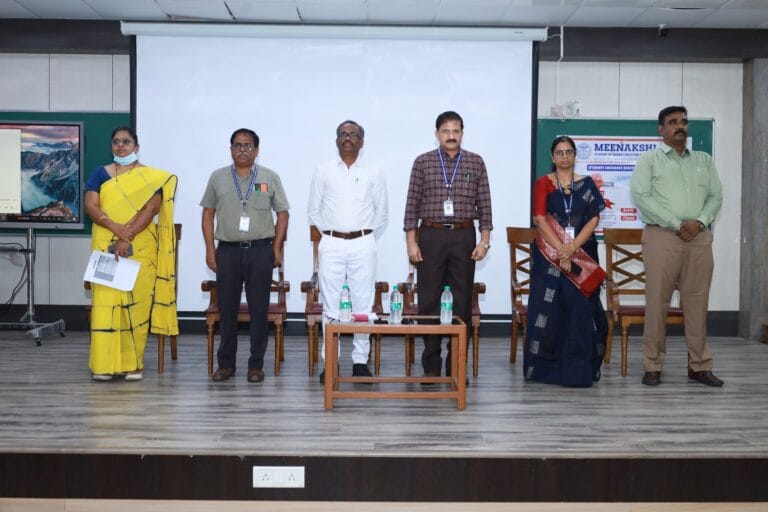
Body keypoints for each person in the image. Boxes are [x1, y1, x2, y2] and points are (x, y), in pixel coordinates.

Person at [630, 106, 723, 387]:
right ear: (661, 129)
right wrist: (676, 223)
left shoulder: (704, 160)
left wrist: (701, 221)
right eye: (672, 122)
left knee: (697, 304)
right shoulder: (649, 160)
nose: (680, 126)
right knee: (657, 303)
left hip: (699, 238)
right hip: (662, 237)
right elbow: (641, 196)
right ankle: (652, 366)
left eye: (683, 122)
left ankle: (699, 366)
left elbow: (716, 196)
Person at [403, 111, 492, 378]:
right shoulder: (423, 162)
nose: (451, 136)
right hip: (430, 236)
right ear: (437, 134)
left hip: (464, 237)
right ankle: (431, 366)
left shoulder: (476, 162)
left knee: (461, 302)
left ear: (462, 133)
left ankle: (456, 366)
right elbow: (411, 205)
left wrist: (485, 241)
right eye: (446, 131)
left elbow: (485, 205)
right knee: (429, 300)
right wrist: (411, 243)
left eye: (456, 131)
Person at [85, 126, 178, 381]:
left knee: (136, 306)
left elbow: (150, 210)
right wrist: (115, 228)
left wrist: (126, 236)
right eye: (116, 141)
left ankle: (133, 363)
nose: (121, 145)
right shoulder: (99, 174)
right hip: (106, 244)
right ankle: (103, 365)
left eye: (126, 142)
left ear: (136, 147)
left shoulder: (150, 177)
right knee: (106, 305)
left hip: (140, 247)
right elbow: (91, 205)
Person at [200, 128, 289, 383]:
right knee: (227, 309)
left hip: (260, 251)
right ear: (230, 150)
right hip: (227, 251)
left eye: (248, 145)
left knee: (259, 310)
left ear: (256, 150)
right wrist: (210, 250)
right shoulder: (218, 177)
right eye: (237, 145)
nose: (242, 150)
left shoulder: (269, 177)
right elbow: (207, 214)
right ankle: (226, 364)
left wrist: (276, 248)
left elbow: (283, 214)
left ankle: (256, 365)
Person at [524, 135, 607, 387]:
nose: (564, 156)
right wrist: (562, 249)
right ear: (552, 156)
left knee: (581, 311)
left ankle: (579, 370)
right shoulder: (544, 183)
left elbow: (593, 219)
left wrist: (572, 248)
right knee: (550, 311)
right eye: (559, 152)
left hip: (582, 254)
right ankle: (546, 371)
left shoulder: (587, 184)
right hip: (549, 257)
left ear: (574, 155)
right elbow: (539, 219)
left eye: (568, 152)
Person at [307, 120, 388, 382]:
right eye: (343, 134)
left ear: (362, 142)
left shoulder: (374, 171)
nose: (348, 138)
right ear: (336, 141)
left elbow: (382, 213)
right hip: (331, 243)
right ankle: (331, 362)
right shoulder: (323, 170)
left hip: (363, 243)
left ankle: (360, 361)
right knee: (331, 304)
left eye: (353, 134)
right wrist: (331, 234)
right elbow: (313, 210)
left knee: (363, 302)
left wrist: (365, 235)